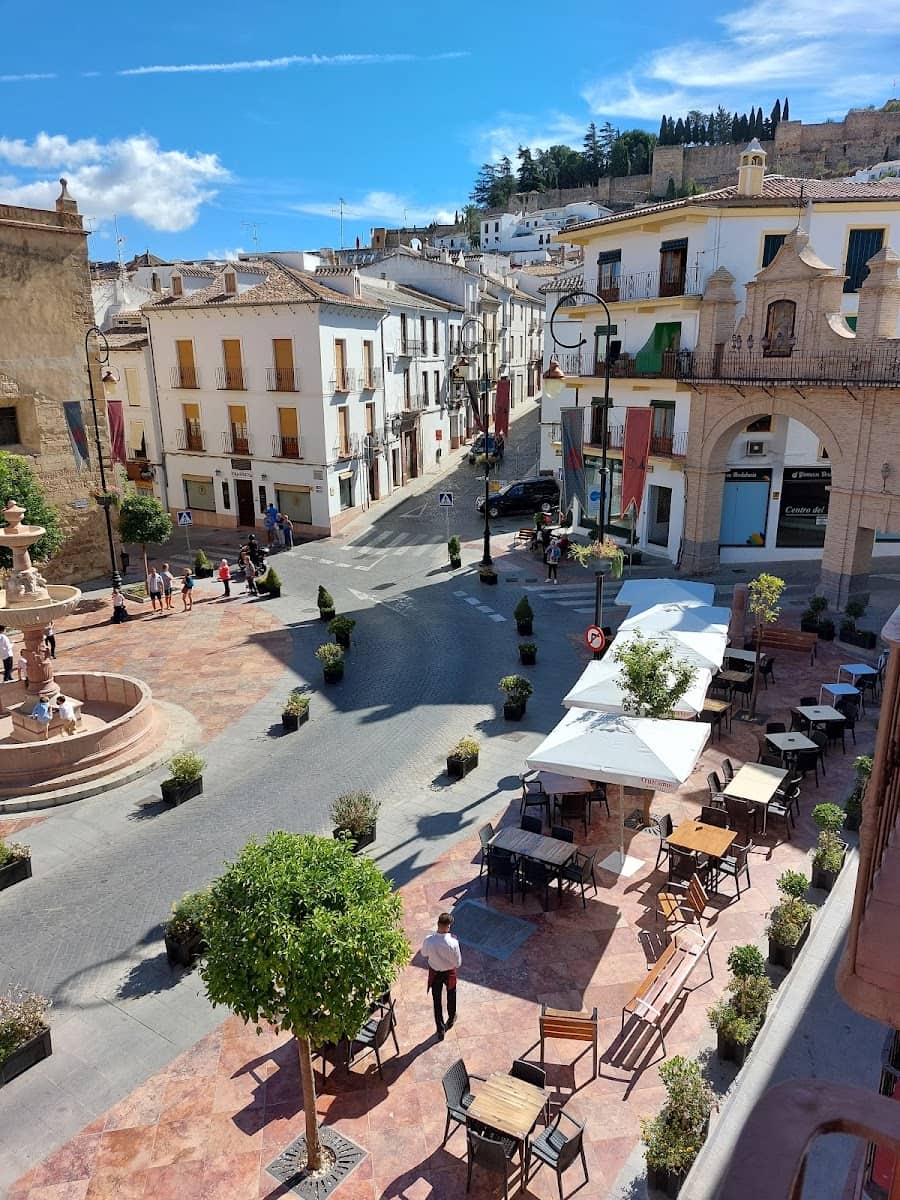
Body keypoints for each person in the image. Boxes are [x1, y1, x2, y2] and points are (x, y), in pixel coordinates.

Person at [421, 912, 462, 1040]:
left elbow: (424, 954)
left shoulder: (428, 940)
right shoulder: (453, 943)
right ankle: (450, 1019)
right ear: (448, 926)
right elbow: (458, 963)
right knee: (451, 995)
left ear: (438, 924)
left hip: (435, 972)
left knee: (436, 1000)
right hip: (449, 973)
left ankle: (440, 1029)